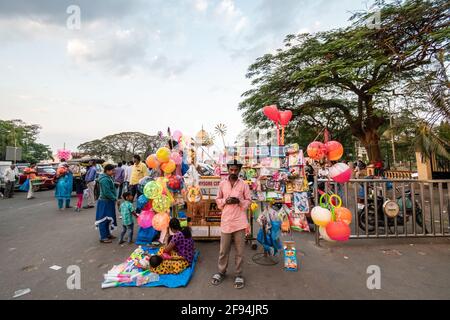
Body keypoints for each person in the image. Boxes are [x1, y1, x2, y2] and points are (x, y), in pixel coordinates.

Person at [211, 160, 251, 290]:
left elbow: (249, 201)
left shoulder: (244, 185)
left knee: (240, 251)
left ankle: (239, 274)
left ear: (239, 170)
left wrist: (239, 201)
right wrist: (225, 201)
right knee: (224, 250)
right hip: (227, 221)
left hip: (239, 222)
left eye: (236, 170)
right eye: (231, 170)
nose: (233, 172)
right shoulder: (222, 184)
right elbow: (217, 199)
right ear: (228, 170)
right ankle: (221, 272)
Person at [95, 164, 118, 243]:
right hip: (105, 201)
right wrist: (115, 198)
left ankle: (107, 234)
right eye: (112, 170)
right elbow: (106, 192)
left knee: (108, 218)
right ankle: (103, 237)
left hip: (108, 201)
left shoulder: (108, 177)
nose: (114, 172)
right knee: (103, 219)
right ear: (107, 171)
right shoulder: (105, 179)